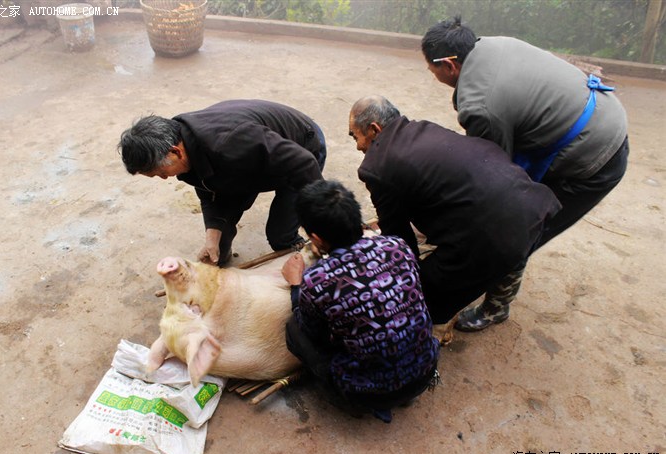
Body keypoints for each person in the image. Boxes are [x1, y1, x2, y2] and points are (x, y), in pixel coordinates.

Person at [421, 17, 629, 330]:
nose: (431, 74)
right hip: (597, 115)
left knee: (517, 227)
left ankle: (495, 308)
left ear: (449, 65)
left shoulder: (481, 105)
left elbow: (495, 182)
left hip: (595, 155)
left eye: (431, 68)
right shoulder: (491, 44)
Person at [349, 95, 561, 332]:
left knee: (424, 297)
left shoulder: (377, 167)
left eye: (355, 136)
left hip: (493, 234)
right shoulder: (424, 128)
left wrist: (408, 280)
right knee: (512, 246)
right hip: (531, 207)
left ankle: (473, 312)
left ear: (374, 129)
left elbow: (400, 239)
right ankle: (498, 303)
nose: (358, 145)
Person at [281, 179, 440, 423]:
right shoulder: (397, 245)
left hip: (370, 394)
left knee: (294, 328)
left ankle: (355, 401)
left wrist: (296, 285)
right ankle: (402, 389)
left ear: (316, 237)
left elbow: (311, 331)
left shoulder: (317, 280)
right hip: (425, 370)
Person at [118, 99, 327, 266]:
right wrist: (213, 237)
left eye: (161, 172)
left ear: (175, 152)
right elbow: (209, 190)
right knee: (219, 238)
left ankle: (301, 255)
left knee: (280, 235)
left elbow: (304, 163)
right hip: (252, 161)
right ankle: (219, 251)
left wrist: (325, 226)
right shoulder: (188, 148)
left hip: (301, 147)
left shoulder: (230, 143)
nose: (164, 178)